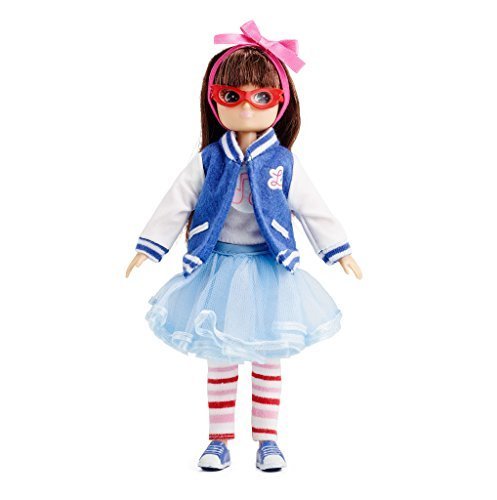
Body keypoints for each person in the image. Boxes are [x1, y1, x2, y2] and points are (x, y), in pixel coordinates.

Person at [126, 20, 362, 472]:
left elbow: (312, 207)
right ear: (213, 99)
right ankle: (218, 440)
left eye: (262, 97)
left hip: (270, 268)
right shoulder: (211, 160)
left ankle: (267, 439)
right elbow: (177, 202)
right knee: (218, 357)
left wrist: (338, 250)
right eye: (231, 96)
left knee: (270, 356)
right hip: (217, 268)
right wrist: (151, 246)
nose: (248, 107)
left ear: (281, 102)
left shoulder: (282, 161)